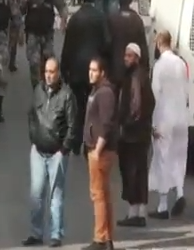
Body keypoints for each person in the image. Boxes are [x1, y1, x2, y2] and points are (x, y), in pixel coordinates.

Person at [23, 58, 76, 247]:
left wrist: (64, 149)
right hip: (38, 151)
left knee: (56, 196)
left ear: (59, 72)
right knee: (36, 194)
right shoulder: (38, 90)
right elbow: (31, 114)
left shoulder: (67, 95)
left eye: (52, 71)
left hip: (56, 154)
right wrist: (33, 137)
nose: (48, 75)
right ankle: (36, 233)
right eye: (46, 71)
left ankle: (56, 235)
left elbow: (72, 125)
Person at [61, 0, 109, 155]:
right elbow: (106, 44)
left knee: (77, 107)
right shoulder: (100, 18)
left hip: (76, 70)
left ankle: (74, 141)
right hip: (93, 70)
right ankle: (89, 141)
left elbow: (68, 45)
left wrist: (64, 68)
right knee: (92, 107)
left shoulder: (75, 19)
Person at [148, 31, 189, 220]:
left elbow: (156, 92)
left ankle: (162, 206)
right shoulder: (181, 63)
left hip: (164, 117)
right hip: (181, 116)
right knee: (178, 156)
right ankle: (180, 193)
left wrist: (153, 122)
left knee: (162, 159)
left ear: (158, 44)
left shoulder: (159, 66)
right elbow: (186, 89)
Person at [116, 43, 155, 228]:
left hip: (133, 135)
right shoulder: (139, 75)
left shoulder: (136, 77)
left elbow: (137, 106)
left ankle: (135, 213)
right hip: (141, 133)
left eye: (130, 55)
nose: (126, 58)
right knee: (139, 173)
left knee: (132, 173)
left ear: (137, 58)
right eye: (125, 55)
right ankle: (139, 212)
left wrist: (126, 125)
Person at [83, 58, 119, 250]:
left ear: (103, 72)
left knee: (98, 195)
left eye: (95, 70)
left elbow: (107, 124)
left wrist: (97, 149)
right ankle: (108, 238)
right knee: (104, 195)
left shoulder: (104, 93)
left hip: (101, 151)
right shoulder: (97, 89)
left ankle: (100, 239)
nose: (91, 73)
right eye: (90, 69)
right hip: (99, 149)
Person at [21, 0, 68, 89]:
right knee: (34, 63)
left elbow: (62, 6)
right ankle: (37, 90)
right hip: (32, 32)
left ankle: (49, 88)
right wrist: (24, 2)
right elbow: (20, 10)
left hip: (47, 32)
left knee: (49, 62)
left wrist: (63, 20)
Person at [107, 0, 148, 86]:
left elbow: (106, 44)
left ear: (118, 1)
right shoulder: (136, 20)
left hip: (115, 70)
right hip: (132, 70)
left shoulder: (111, 19)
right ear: (130, 1)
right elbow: (143, 46)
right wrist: (145, 68)